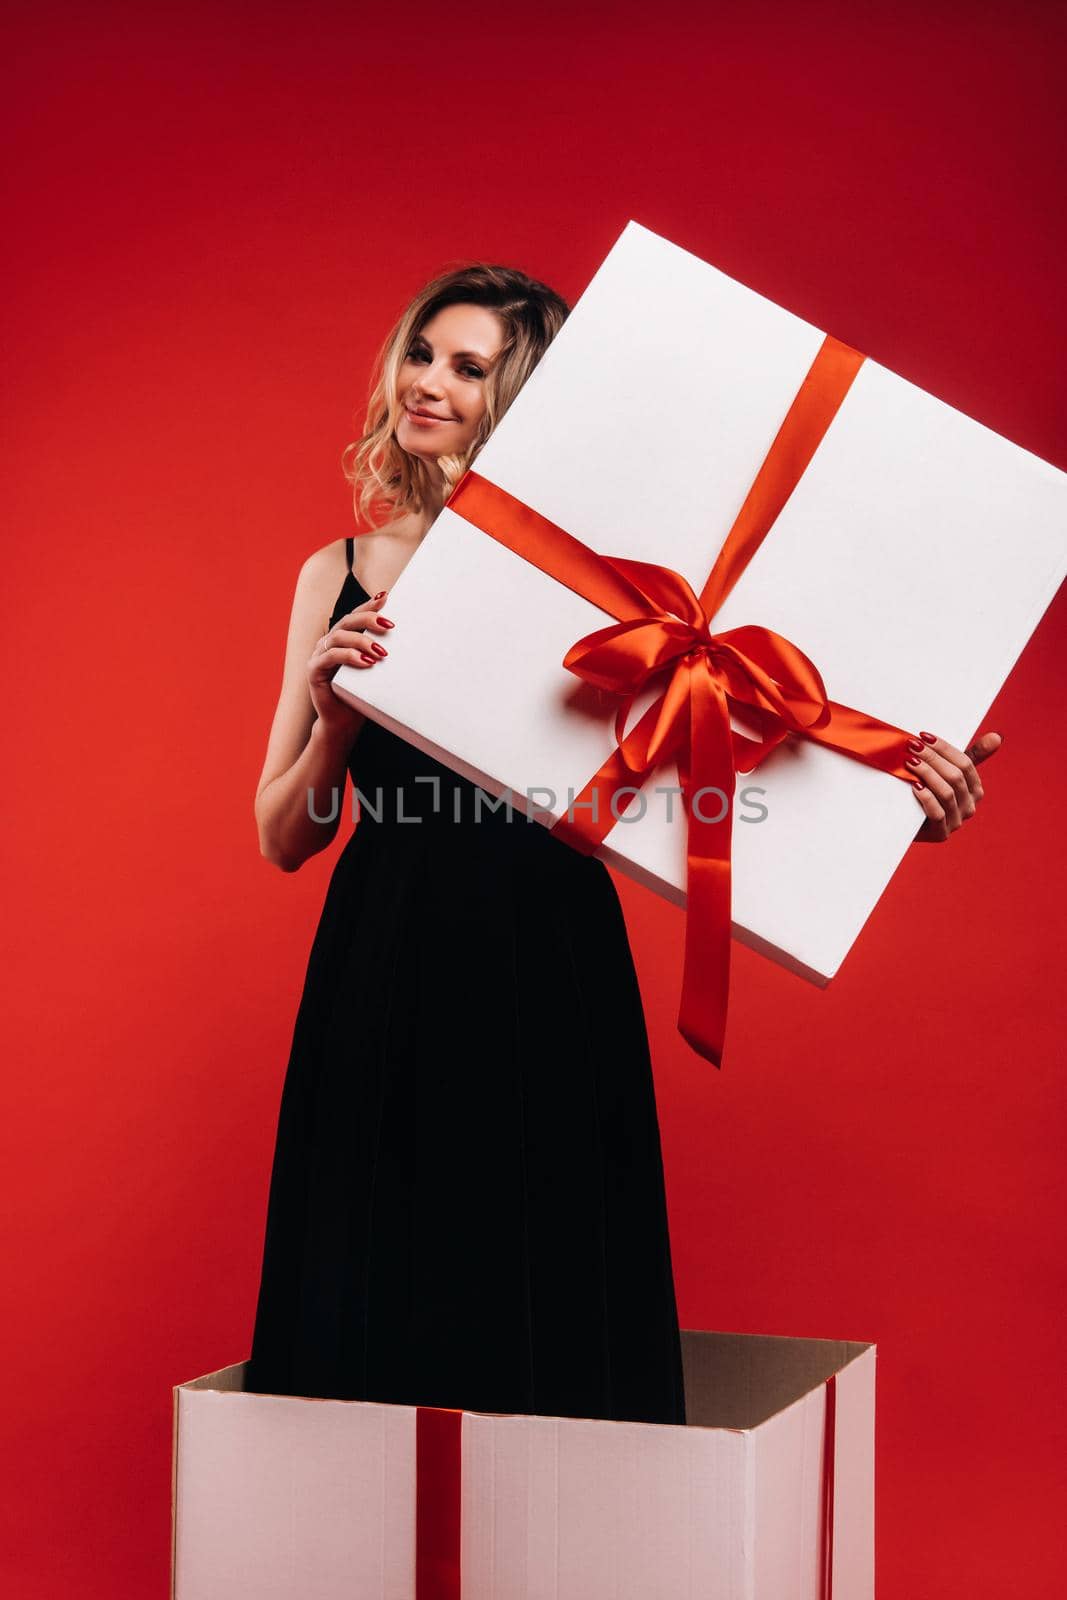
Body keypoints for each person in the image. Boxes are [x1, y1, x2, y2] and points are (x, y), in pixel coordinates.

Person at [245, 260, 1003, 1425]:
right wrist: (337, 724)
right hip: (382, 956)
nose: (427, 384)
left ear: (523, 397)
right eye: (420, 353)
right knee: (376, 1264)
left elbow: (746, 736)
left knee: (540, 1268)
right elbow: (280, 836)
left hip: (545, 958)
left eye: (468, 366)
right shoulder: (337, 572)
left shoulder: (605, 586)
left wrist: (906, 784)